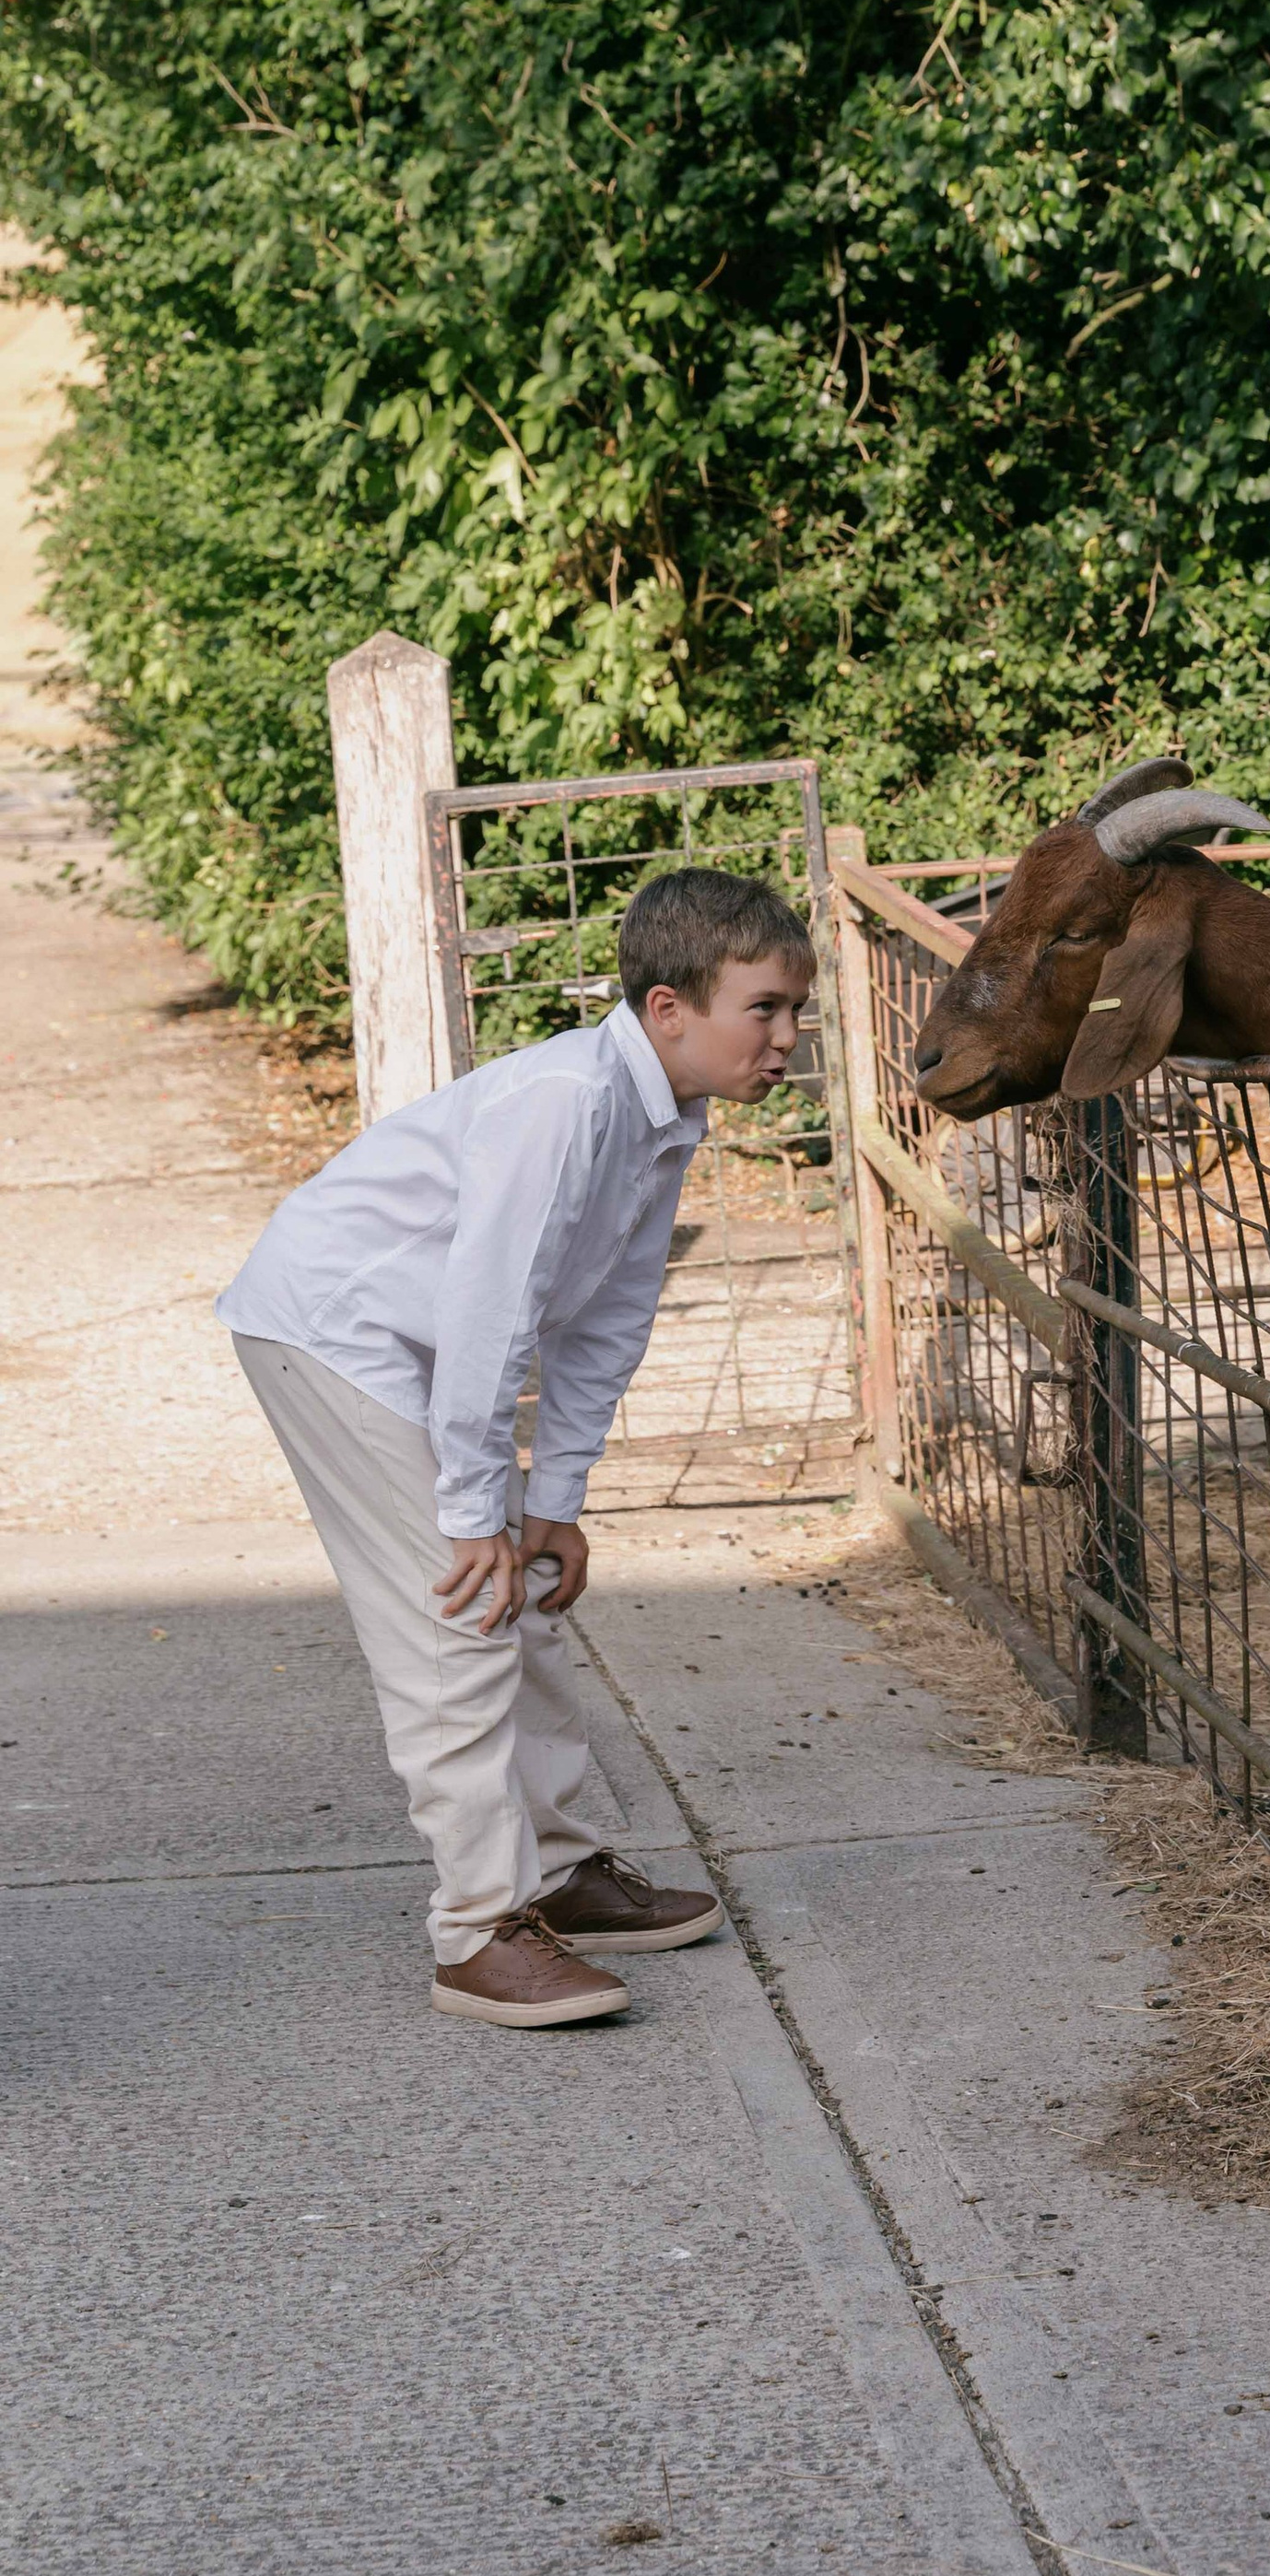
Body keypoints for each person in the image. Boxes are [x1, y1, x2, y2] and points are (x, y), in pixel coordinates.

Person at [218, 865, 815, 2026]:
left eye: (795, 1011)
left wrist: (554, 1498)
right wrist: (472, 1508)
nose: (787, 1037)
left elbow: (606, 1314)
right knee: (462, 1605)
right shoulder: (564, 1104)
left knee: (525, 1583)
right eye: (766, 1009)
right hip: (335, 1328)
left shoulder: (666, 1115)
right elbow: (491, 1311)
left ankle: (556, 1870)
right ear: (668, 1009)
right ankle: (479, 1929)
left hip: (419, 1336)